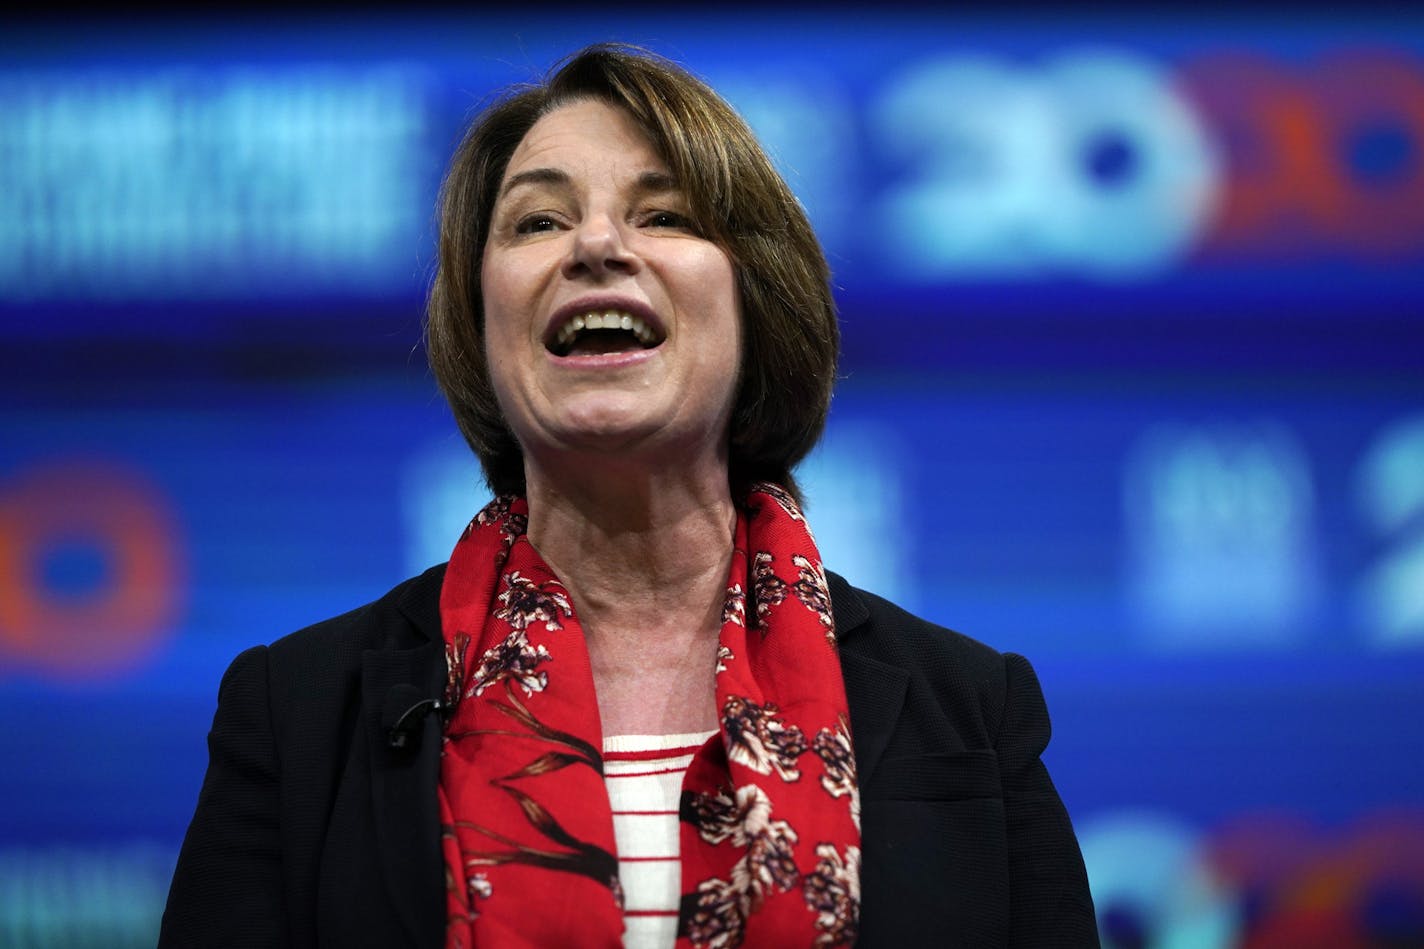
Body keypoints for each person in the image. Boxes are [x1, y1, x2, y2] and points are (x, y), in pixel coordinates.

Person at [160, 43, 1099, 948]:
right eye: (537, 222)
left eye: (664, 216)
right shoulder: (295, 712)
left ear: (756, 303)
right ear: (481, 321)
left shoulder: (971, 708)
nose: (597, 245)